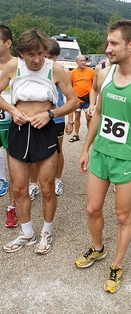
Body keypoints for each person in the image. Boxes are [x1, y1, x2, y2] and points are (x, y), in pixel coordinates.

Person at [75, 19, 131, 293]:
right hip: (101, 153)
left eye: (114, 43)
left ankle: (116, 265)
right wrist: (85, 148)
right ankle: (98, 248)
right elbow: (99, 113)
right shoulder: (105, 74)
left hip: (127, 159)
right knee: (92, 209)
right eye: (108, 42)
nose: (108, 48)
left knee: (123, 216)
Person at [0, 28, 79, 254]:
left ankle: (46, 232)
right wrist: (12, 110)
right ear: (21, 53)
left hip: (45, 129)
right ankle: (27, 233)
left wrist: (51, 114)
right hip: (19, 128)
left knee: (47, 188)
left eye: (41, 54)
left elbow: (73, 101)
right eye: (31, 54)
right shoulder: (13, 67)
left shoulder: (56, 69)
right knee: (20, 187)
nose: (36, 59)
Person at [29, 38, 74, 198]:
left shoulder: (63, 71)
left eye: (52, 58)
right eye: (46, 56)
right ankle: (34, 183)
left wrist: (70, 121)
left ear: (57, 57)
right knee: (33, 151)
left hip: (57, 118)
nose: (48, 60)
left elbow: (71, 99)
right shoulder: (33, 70)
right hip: (37, 118)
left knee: (58, 151)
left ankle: (57, 179)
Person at [0, 25, 18, 228]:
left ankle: (12, 208)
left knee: (16, 170)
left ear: (8, 43)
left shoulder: (19, 65)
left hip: (13, 125)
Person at [69, 55, 94, 142]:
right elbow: (69, 86)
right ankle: (76, 135)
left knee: (88, 117)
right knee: (77, 116)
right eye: (81, 61)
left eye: (84, 60)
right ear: (77, 62)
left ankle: (90, 135)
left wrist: (93, 99)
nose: (83, 62)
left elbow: (95, 86)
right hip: (77, 99)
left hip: (88, 99)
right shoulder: (72, 73)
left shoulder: (91, 71)